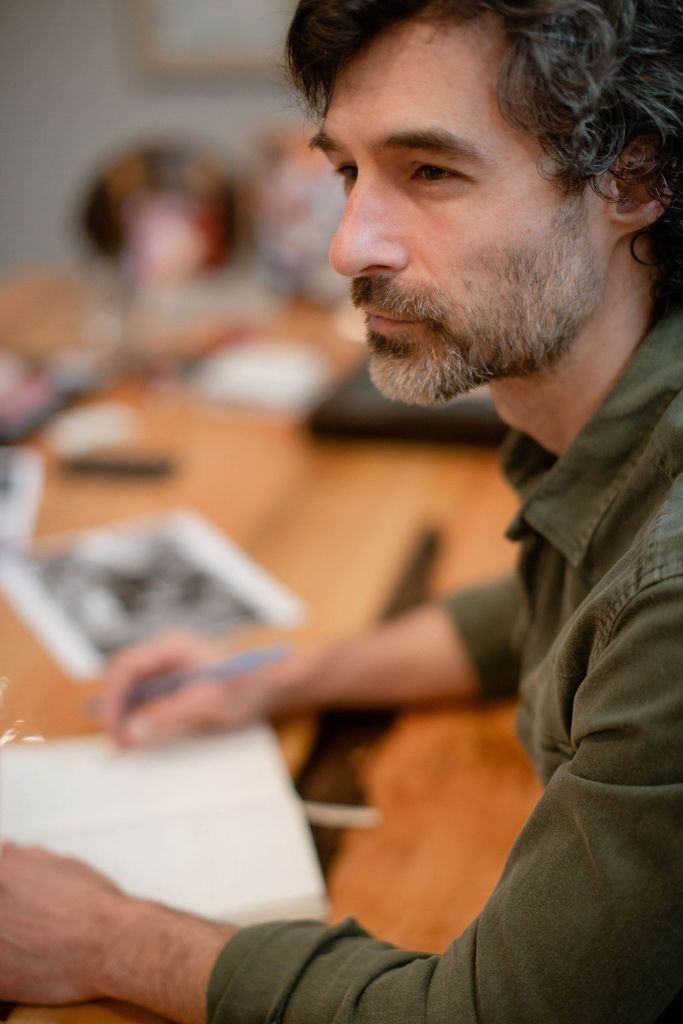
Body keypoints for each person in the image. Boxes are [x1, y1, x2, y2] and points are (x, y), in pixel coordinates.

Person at [1, 0, 682, 1020]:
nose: (347, 245)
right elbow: (548, 611)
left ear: (633, 181)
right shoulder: (613, 434)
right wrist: (273, 677)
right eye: (346, 172)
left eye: (430, 172)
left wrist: (105, 937)